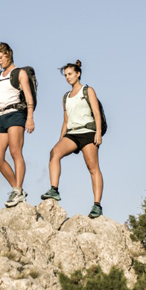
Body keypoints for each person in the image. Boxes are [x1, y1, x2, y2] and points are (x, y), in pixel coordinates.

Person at [40, 60, 104, 218]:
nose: (67, 77)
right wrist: (60, 140)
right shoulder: (66, 97)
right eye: (65, 75)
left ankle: (97, 205)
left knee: (92, 167)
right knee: (54, 153)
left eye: (70, 74)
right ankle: (54, 190)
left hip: (88, 131)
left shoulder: (87, 90)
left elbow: (96, 112)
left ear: (78, 73)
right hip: (72, 133)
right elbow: (66, 120)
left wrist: (98, 132)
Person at [0, 42, 35, 208]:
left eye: (1, 57)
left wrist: (30, 118)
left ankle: (18, 190)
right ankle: (17, 189)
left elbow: (28, 97)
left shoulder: (19, 73)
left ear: (9, 54)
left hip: (16, 114)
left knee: (15, 152)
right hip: (2, 116)